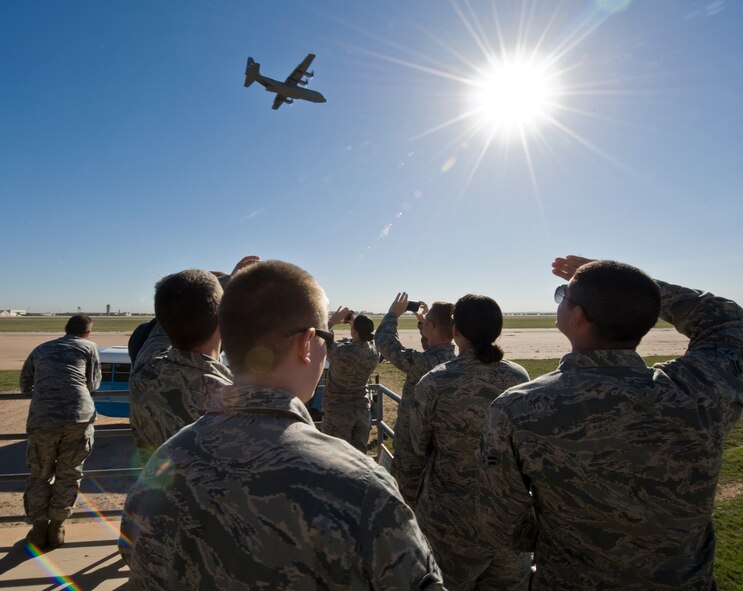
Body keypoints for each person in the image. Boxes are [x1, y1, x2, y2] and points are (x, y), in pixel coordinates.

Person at [120, 260, 444, 589]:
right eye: (324, 338)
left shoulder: (156, 473)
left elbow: (133, 555)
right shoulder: (361, 488)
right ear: (306, 344)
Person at [478, 255, 743, 589]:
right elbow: (727, 319)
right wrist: (632, 291)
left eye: (563, 295)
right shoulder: (700, 390)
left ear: (576, 316)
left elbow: (503, 523)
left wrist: (563, 539)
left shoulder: (519, 407)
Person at [411, 294, 532, 589]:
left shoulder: (435, 382)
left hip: (450, 526)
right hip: (508, 525)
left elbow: (412, 451)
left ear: (456, 330)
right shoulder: (519, 377)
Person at [128, 269, 234, 464]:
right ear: (223, 319)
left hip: (152, 493)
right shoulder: (237, 405)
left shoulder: (145, 373)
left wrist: (219, 287)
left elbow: (172, 314)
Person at [20, 314, 101, 550]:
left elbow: (25, 383)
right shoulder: (89, 347)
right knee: (69, 474)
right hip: (78, 417)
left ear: (65, 329)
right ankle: (57, 527)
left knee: (40, 474)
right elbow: (93, 383)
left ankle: (38, 528)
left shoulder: (42, 348)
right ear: (87, 332)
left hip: (43, 420)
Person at [375, 292, 455, 507]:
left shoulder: (424, 364)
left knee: (406, 506)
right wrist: (426, 324)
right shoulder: (451, 359)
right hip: (437, 453)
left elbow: (385, 343)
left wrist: (393, 314)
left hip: (413, 453)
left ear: (433, 326)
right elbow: (434, 349)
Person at [321, 307, 380, 451]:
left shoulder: (341, 352)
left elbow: (324, 341)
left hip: (337, 412)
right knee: (358, 457)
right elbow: (362, 339)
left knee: (335, 456)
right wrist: (354, 322)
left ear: (354, 331)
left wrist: (330, 323)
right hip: (361, 411)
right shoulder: (374, 354)